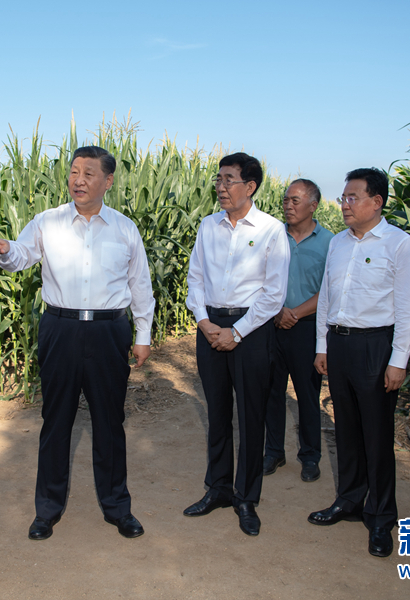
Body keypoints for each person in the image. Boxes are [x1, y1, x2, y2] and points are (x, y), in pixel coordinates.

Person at [0, 145, 155, 541]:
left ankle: (117, 507)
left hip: (109, 331)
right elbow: (22, 255)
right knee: (55, 421)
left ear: (108, 181)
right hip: (60, 329)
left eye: (89, 173)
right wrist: (5, 250)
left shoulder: (124, 228)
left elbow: (140, 283)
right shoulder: (48, 221)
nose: (78, 180)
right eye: (74, 172)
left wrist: (143, 335)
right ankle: (47, 510)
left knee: (110, 422)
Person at [309, 167, 410, 558]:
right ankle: (349, 500)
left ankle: (381, 516)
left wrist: (398, 360)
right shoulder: (338, 243)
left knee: (376, 436)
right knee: (347, 429)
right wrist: (322, 346)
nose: (345, 204)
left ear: (377, 202)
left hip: (376, 346)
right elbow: (326, 297)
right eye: (343, 198)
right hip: (339, 344)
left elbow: (407, 307)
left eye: (352, 198)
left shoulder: (399, 244)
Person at [183, 152, 290, 536]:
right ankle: (218, 488)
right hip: (211, 325)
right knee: (217, 412)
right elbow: (195, 278)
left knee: (250, 414)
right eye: (219, 179)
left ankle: (246, 497)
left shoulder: (271, 230)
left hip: (252, 329)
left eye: (229, 179)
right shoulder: (208, 226)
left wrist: (238, 332)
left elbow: (274, 294)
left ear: (251, 186)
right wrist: (204, 322)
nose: (221, 187)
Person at [263, 178, 332, 482]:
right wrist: (278, 312)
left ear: (313, 205)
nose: (288, 206)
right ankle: (273, 451)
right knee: (271, 392)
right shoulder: (273, 236)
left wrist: (294, 313)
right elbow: (259, 279)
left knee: (307, 394)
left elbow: (329, 290)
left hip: (307, 327)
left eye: (295, 201)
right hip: (272, 324)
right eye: (285, 200)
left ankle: (310, 456)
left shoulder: (330, 242)